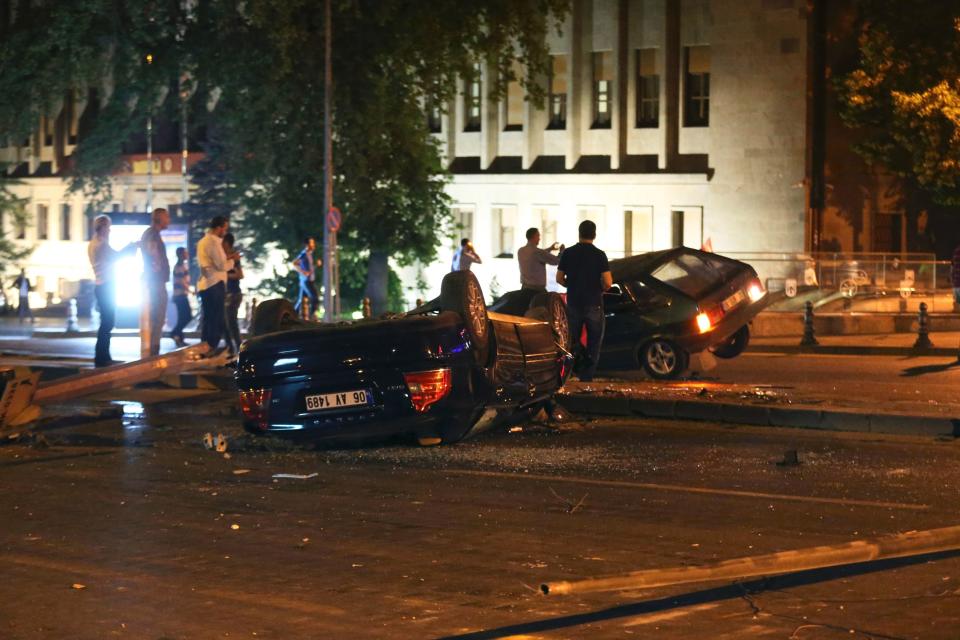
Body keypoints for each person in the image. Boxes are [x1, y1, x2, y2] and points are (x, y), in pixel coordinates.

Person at [556, 220, 612, 382]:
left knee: (572, 341)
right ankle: (587, 377)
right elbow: (608, 282)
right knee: (594, 342)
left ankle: (570, 373)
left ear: (579, 233)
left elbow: (559, 278)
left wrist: (571, 284)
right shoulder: (600, 255)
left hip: (574, 302)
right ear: (594, 235)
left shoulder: (568, 253)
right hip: (594, 302)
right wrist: (600, 288)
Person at [88, 215, 139, 366]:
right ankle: (102, 358)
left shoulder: (94, 243)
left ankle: (103, 356)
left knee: (106, 322)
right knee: (107, 323)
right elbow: (116, 257)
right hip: (106, 285)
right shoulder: (101, 244)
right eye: (108, 227)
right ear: (102, 227)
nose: (110, 230)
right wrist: (131, 246)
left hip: (101, 285)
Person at [197, 215, 236, 352]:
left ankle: (204, 349)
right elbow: (221, 265)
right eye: (225, 228)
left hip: (206, 284)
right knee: (216, 320)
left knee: (208, 319)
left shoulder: (202, 241)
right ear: (219, 228)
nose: (225, 232)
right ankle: (210, 349)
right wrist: (233, 261)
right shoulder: (213, 242)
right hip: (215, 284)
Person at [140, 207, 170, 358]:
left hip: (154, 281)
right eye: (166, 217)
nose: (169, 220)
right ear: (159, 218)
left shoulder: (151, 234)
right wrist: (158, 271)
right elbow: (154, 257)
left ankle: (152, 352)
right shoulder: (152, 234)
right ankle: (153, 354)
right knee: (157, 318)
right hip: (156, 282)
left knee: (157, 318)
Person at [518, 227, 563, 291]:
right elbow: (556, 261)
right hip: (537, 290)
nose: (539, 238)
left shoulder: (520, 251)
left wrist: (550, 248)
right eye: (538, 235)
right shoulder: (537, 252)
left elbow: (536, 255)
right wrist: (561, 252)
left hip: (524, 288)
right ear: (534, 236)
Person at [222, 232, 245, 356]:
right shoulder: (226, 257)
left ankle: (238, 348)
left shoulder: (234, 258)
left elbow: (240, 275)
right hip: (228, 294)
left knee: (230, 322)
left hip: (234, 294)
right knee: (226, 322)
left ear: (226, 243)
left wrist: (224, 275)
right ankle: (231, 348)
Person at [293, 237, 321, 318]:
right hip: (306, 281)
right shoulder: (304, 254)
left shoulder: (310, 254)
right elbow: (294, 263)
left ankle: (293, 316)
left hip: (309, 280)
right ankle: (312, 316)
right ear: (307, 245)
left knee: (300, 301)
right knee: (315, 298)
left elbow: (310, 268)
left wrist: (317, 264)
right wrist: (303, 272)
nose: (313, 245)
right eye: (311, 243)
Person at [170, 247, 192, 347]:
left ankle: (179, 337)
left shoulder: (183, 265)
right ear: (181, 255)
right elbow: (181, 281)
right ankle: (174, 333)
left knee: (183, 317)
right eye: (185, 253)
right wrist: (190, 290)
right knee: (186, 316)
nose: (187, 254)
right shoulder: (179, 266)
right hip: (180, 295)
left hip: (182, 294)